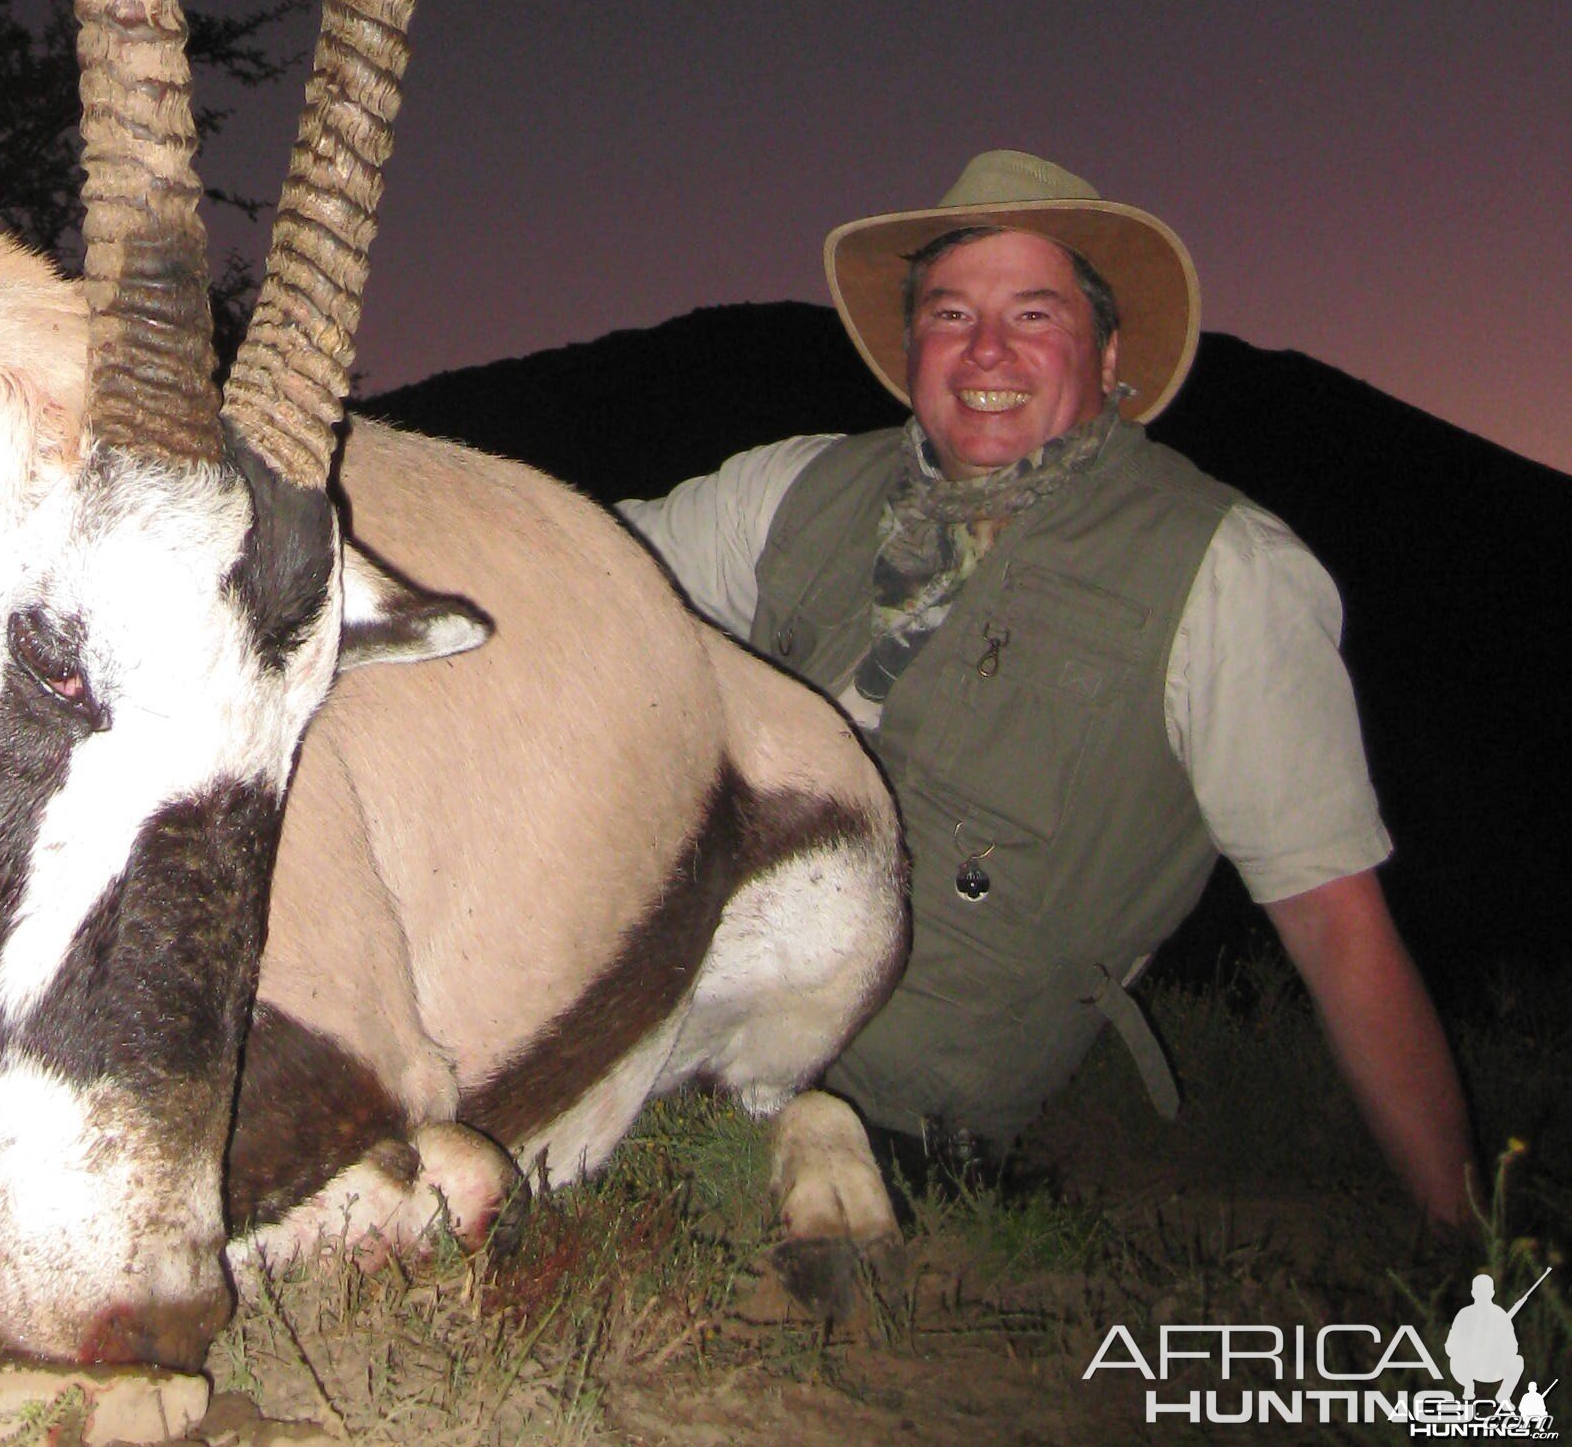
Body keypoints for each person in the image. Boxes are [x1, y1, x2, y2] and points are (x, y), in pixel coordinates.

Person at [620, 149, 1474, 1227]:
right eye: (949, 313)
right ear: (911, 345)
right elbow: (588, 577)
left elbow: (1339, 930)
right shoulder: (796, 487)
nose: (986, 352)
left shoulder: (1225, 575)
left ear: (1108, 351)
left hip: (885, 1111)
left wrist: (1473, 1248)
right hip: (636, 1003)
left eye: (1034, 315)